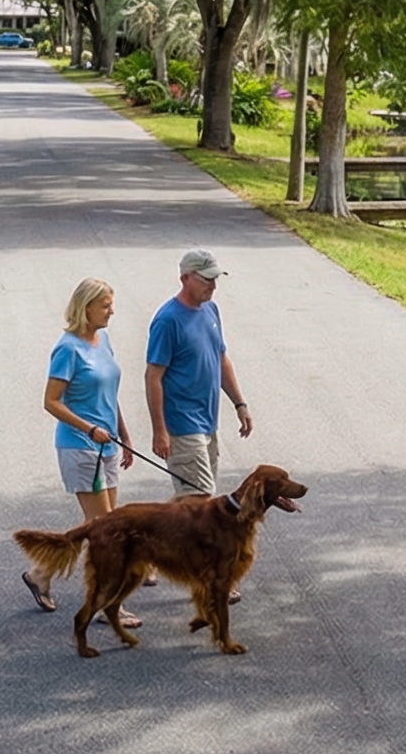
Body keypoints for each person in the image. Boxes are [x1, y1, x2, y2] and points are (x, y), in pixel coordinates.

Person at [26, 276, 138, 622]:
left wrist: (124, 434)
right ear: (85, 307)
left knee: (102, 528)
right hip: (80, 447)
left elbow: (109, 394)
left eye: (111, 304)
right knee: (107, 531)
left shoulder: (102, 340)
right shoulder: (67, 348)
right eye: (105, 305)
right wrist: (89, 428)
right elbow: (51, 402)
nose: (112, 311)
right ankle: (108, 605)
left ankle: (41, 573)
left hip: (107, 446)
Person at [144, 248, 252, 502]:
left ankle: (167, 539)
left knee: (195, 504)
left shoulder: (210, 310)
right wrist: (160, 430)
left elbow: (221, 359)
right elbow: (153, 377)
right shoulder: (168, 320)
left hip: (208, 421)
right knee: (199, 500)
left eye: (215, 279)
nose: (213, 286)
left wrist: (240, 404)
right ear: (185, 278)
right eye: (206, 279)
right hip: (182, 425)